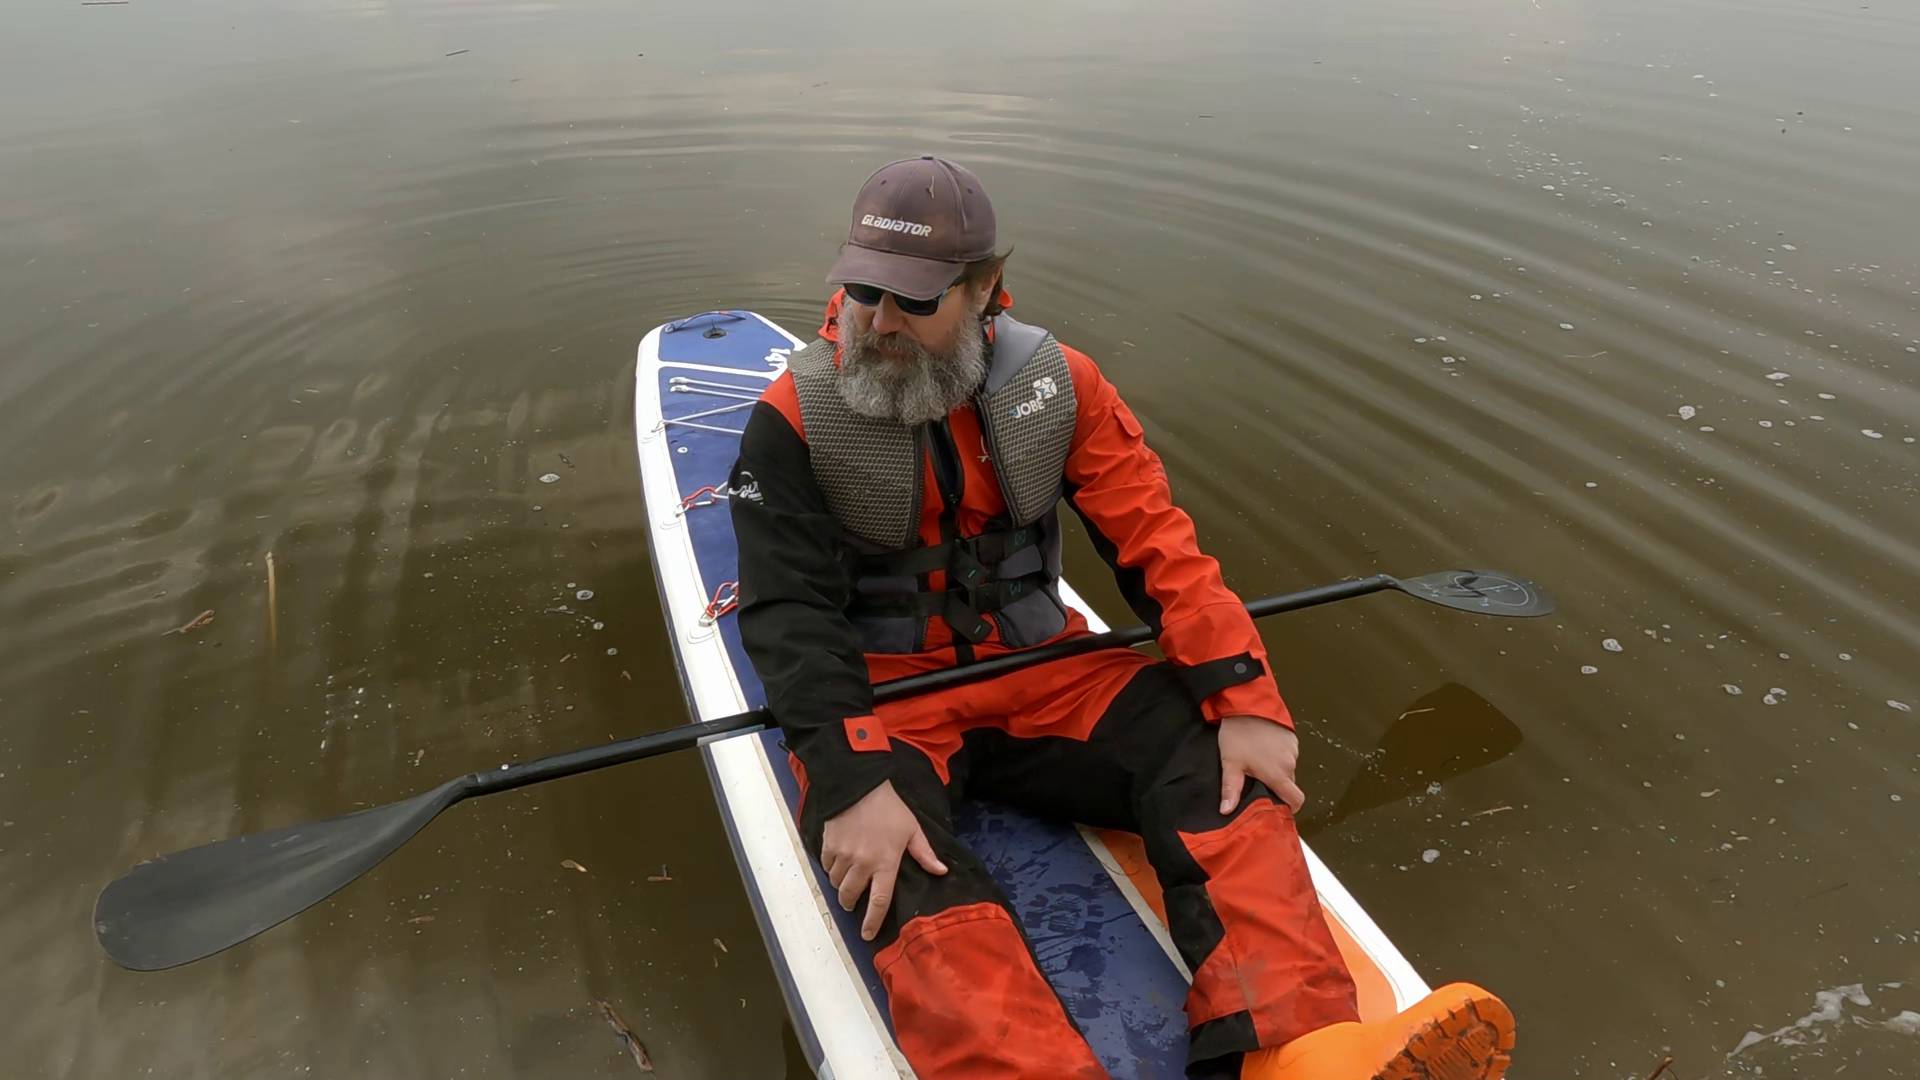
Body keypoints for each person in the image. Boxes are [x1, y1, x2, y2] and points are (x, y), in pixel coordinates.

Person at [728, 155, 1516, 1080]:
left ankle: (1295, 1046)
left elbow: (1158, 544)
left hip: (1044, 672)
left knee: (1215, 762)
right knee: (898, 873)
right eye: (863, 289)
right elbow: (788, 615)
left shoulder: (1061, 389)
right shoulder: (792, 418)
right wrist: (850, 779)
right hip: (886, 697)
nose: (878, 320)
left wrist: (1246, 695)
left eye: (914, 299)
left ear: (985, 291)